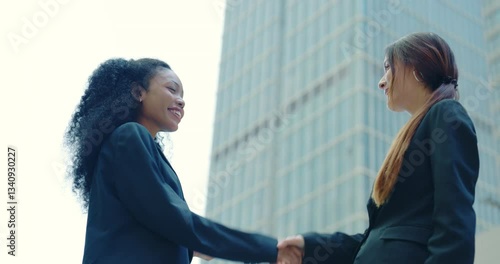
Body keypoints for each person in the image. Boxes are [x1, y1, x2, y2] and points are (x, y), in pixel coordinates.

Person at [65, 58, 301, 263]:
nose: (181, 101)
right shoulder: (129, 135)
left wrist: (193, 246)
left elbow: (163, 223)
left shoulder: (144, 148)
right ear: (138, 92)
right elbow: (171, 218)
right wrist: (268, 249)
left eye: (183, 95)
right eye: (172, 89)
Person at [277, 32, 480, 264]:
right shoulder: (414, 134)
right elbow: (372, 240)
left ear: (415, 67)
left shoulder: (446, 115)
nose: (381, 81)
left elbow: (454, 225)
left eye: (387, 67)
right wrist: (309, 246)